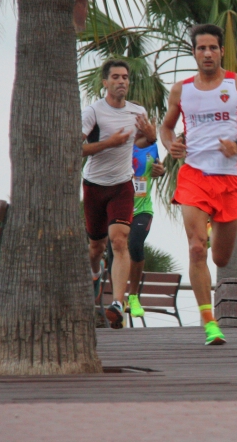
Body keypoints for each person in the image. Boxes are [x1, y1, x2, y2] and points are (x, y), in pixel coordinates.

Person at [158, 24, 237, 345]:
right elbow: (166, 128)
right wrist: (170, 145)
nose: (207, 53)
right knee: (196, 249)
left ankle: (211, 227)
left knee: (220, 258)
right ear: (193, 53)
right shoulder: (181, 90)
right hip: (194, 175)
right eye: (200, 48)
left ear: (221, 51)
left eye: (212, 48)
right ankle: (210, 323)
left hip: (231, 178)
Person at [82, 59, 156, 329]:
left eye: (125, 77)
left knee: (120, 242)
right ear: (105, 83)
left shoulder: (137, 111)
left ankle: (117, 302)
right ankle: (93, 272)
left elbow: (140, 142)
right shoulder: (93, 112)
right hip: (94, 185)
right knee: (96, 247)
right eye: (116, 77)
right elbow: (74, 148)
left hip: (123, 186)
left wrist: (151, 136)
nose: (122, 81)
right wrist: (107, 144)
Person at [123, 142, 165, 318]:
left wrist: (161, 170)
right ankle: (118, 300)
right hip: (119, 208)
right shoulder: (120, 139)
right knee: (113, 251)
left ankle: (133, 296)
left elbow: (158, 166)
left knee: (135, 245)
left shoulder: (152, 146)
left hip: (142, 209)